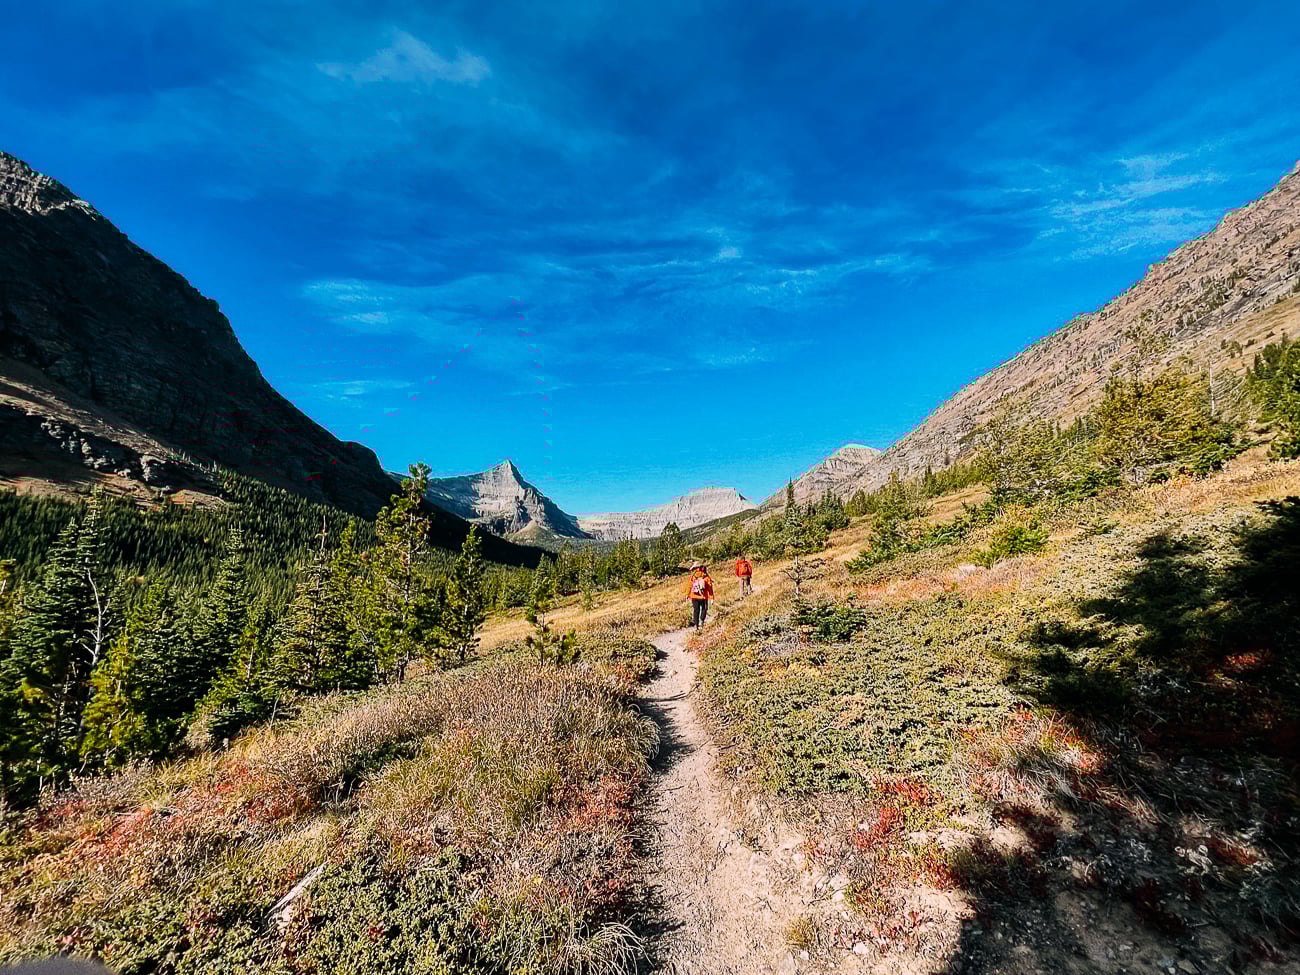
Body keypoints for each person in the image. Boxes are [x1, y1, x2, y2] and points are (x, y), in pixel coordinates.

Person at [686, 561, 714, 629]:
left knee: (696, 610)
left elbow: (690, 585)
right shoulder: (706, 577)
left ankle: (696, 624)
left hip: (694, 596)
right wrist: (711, 598)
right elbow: (710, 588)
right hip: (703, 597)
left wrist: (687, 594)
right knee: (704, 609)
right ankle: (702, 620)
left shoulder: (694, 576)